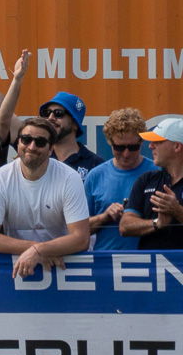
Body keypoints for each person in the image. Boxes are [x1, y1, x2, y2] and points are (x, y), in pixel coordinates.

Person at [0, 116, 91, 277]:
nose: (32, 146)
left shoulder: (69, 178)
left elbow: (81, 239)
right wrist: (35, 248)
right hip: (20, 266)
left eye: (40, 142)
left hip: (64, 267)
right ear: (18, 143)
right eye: (26, 139)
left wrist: (39, 250)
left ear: (51, 149)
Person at [84, 108, 154, 252]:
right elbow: (78, 229)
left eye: (133, 147)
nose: (126, 154)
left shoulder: (157, 173)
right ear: (110, 143)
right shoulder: (96, 176)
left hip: (150, 263)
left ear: (142, 142)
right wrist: (104, 217)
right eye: (119, 147)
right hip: (106, 264)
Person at [118, 116, 183, 250]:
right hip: (152, 269)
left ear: (177, 146)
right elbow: (124, 225)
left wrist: (177, 211)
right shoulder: (147, 179)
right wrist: (156, 223)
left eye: (157, 141)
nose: (150, 146)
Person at [38, 91, 104, 173]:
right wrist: (17, 81)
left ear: (75, 123)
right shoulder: (37, 154)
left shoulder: (95, 164)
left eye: (58, 113)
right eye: (47, 113)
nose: (50, 117)